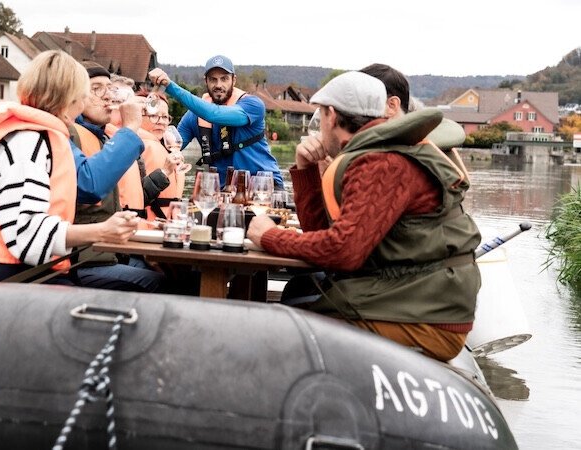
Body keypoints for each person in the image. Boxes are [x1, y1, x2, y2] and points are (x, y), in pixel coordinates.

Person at [246, 71, 482, 362]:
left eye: (320, 116)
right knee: (299, 293)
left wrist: (268, 236)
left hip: (429, 319)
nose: (319, 129)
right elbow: (320, 232)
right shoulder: (377, 152)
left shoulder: (380, 162)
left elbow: (344, 251)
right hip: (417, 301)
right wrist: (306, 170)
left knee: (283, 327)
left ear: (331, 115)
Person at [0, 50, 141, 286]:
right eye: (84, 96)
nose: (85, 103)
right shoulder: (26, 142)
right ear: (69, 100)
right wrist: (101, 231)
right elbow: (27, 234)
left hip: (10, 266)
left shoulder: (29, 134)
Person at [69, 63, 171, 292]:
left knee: (177, 271)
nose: (107, 95)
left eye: (109, 88)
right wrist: (132, 126)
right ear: (76, 97)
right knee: (162, 284)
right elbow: (89, 186)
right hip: (82, 258)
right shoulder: (69, 134)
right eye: (96, 89)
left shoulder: (105, 138)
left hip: (111, 251)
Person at [148, 55, 284, 189]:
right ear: (206, 81)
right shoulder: (193, 117)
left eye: (224, 79)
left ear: (234, 80)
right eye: (213, 79)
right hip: (225, 193)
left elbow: (214, 114)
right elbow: (169, 148)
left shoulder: (253, 105)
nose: (218, 85)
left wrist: (169, 86)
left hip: (264, 186)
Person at [136, 93, 187, 220]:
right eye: (153, 115)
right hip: (146, 224)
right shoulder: (134, 147)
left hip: (167, 222)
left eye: (165, 117)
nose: (161, 122)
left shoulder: (166, 147)